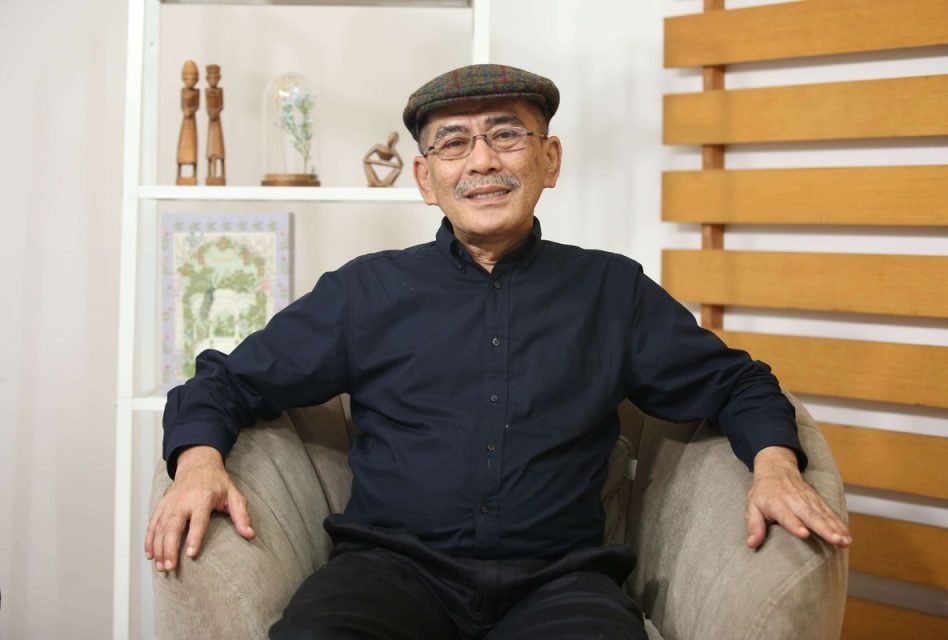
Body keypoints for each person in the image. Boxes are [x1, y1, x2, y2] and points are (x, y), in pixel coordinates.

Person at [147, 64, 851, 640]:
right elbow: (226, 381)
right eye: (453, 143)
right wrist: (199, 463)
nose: (482, 160)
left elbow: (737, 383)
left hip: (562, 583)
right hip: (390, 573)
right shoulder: (366, 292)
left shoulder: (612, 291)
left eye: (506, 135)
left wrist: (775, 467)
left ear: (550, 160)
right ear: (425, 180)